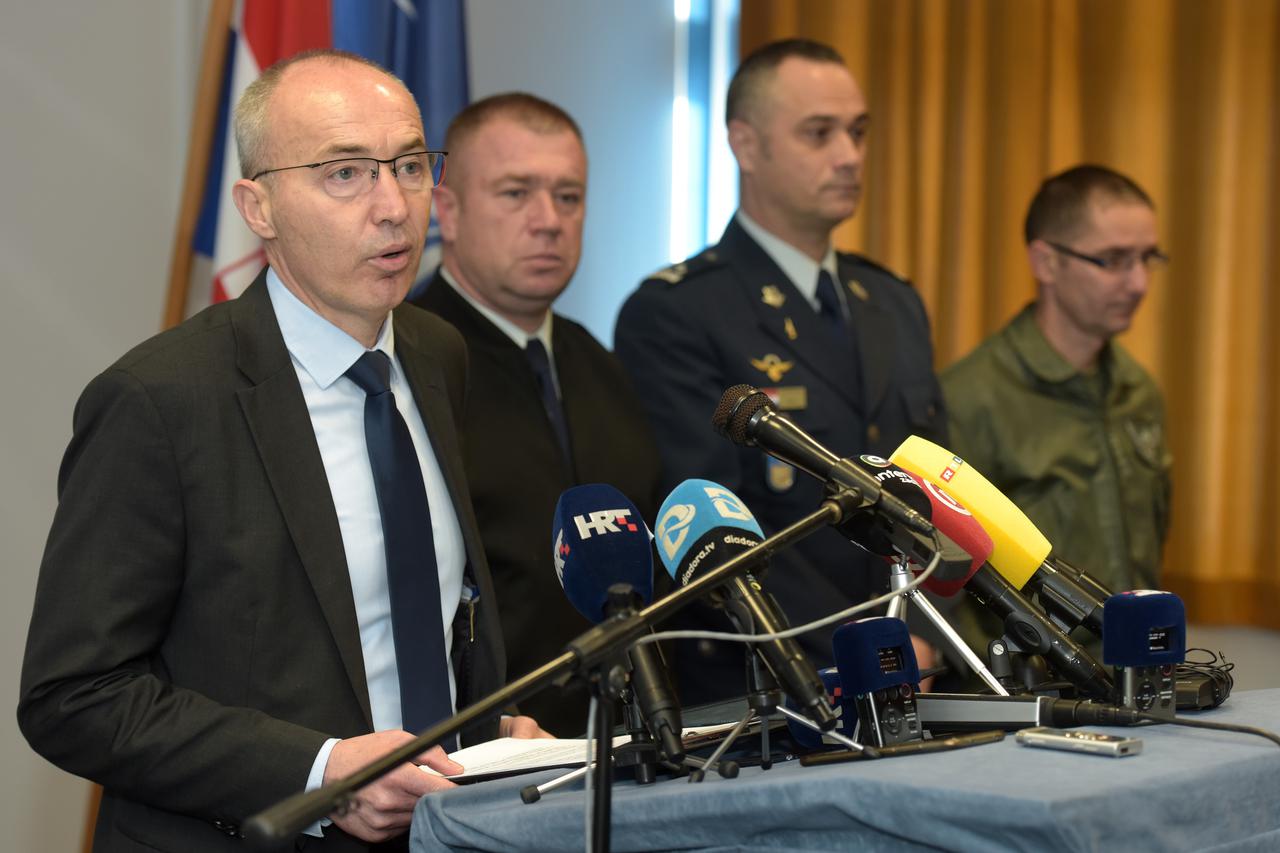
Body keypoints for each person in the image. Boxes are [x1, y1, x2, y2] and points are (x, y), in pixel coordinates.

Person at [18, 50, 546, 852]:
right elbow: (74, 695)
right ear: (257, 207)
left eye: (409, 166)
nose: (393, 208)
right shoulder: (160, 401)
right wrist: (317, 770)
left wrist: (486, 726)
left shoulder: (439, 354)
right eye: (345, 174)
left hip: (445, 827)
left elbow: (414, 616)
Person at [614, 39, 948, 704]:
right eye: (819, 133)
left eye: (857, 132)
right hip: (773, 685)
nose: (849, 155)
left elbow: (937, 496)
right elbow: (710, 531)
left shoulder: (892, 302)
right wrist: (858, 650)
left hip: (916, 668)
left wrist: (930, 633)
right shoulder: (679, 311)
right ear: (746, 144)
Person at [410, 93, 662, 736]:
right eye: (516, 193)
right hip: (480, 752)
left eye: (568, 196)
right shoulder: (406, 364)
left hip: (627, 742)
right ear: (448, 211)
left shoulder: (599, 363)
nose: (549, 221)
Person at [942, 164, 1172, 656]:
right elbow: (946, 579)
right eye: (1114, 260)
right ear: (1046, 262)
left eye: (1146, 258)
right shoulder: (972, 398)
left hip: (1138, 672)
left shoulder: (1138, 390)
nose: (1138, 283)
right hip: (1032, 686)